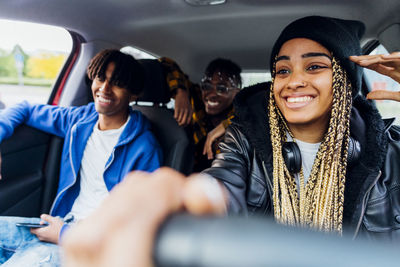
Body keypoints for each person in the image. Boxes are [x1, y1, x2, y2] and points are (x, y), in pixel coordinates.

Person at [61, 16, 400, 266]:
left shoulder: (389, 151)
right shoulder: (245, 141)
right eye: (282, 71)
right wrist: (181, 200)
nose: (294, 81)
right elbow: (221, 181)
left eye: (314, 67)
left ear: (345, 81)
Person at [0, 49, 162, 266]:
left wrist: (67, 234)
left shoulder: (145, 147)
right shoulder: (81, 119)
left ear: (133, 95)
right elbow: (25, 109)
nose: (104, 88)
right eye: (101, 78)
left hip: (94, 244)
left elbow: (138, 225)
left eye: (117, 83)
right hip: (59, 223)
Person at [160, 57, 242, 171]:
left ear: (236, 93)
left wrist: (226, 125)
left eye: (222, 88)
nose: (211, 94)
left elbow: (256, 110)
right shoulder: (196, 99)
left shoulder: (240, 115)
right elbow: (165, 63)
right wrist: (180, 91)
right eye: (207, 86)